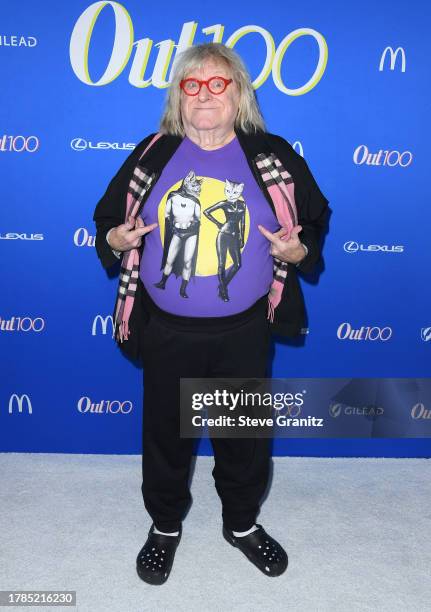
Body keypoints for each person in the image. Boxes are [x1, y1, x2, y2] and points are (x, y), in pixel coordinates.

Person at [93, 42, 330, 586]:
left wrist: (297, 251)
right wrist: (115, 236)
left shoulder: (271, 155)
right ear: (178, 96)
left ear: (238, 93)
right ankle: (165, 527)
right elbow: (108, 217)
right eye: (192, 85)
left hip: (243, 329)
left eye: (218, 84)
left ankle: (242, 524)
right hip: (166, 328)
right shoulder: (152, 153)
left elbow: (312, 222)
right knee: (166, 437)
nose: (204, 95)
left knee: (241, 438)